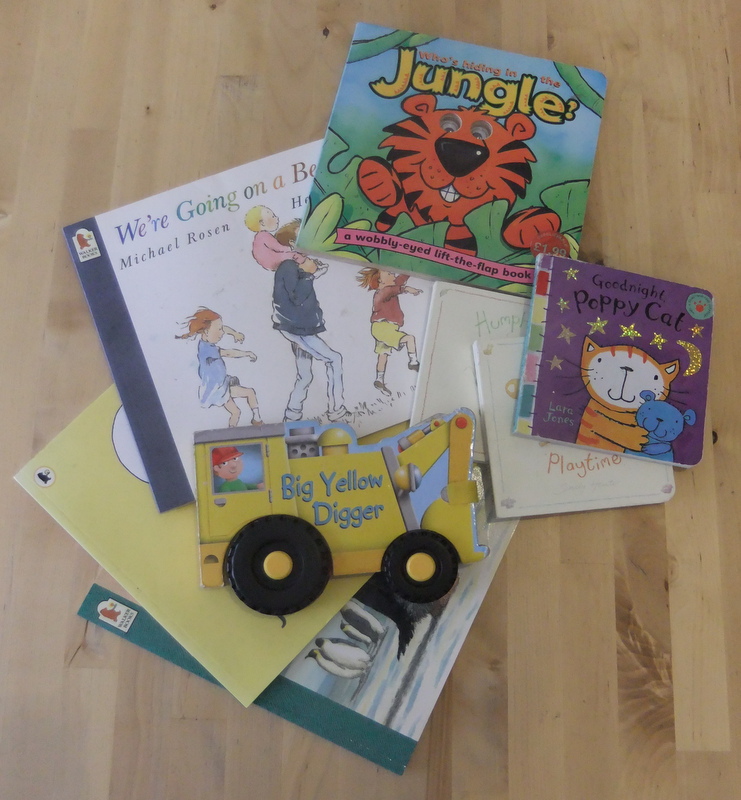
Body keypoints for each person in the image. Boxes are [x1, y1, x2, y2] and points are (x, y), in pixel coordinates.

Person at [177, 308, 263, 427]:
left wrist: (234, 333)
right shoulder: (207, 350)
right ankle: (257, 421)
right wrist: (246, 353)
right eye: (219, 330)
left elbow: (223, 328)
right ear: (206, 332)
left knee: (236, 412)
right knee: (248, 394)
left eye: (221, 329)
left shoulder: (206, 341)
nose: (222, 333)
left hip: (222, 384)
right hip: (217, 389)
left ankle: (242, 427)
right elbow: (227, 353)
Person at [356, 267, 422, 396]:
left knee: (383, 354)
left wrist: (410, 269)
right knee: (410, 339)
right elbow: (396, 289)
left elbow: (400, 281)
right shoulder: (382, 292)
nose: (393, 274)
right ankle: (413, 362)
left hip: (383, 328)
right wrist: (409, 289)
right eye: (389, 273)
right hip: (383, 327)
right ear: (381, 281)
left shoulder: (390, 286)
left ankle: (379, 380)